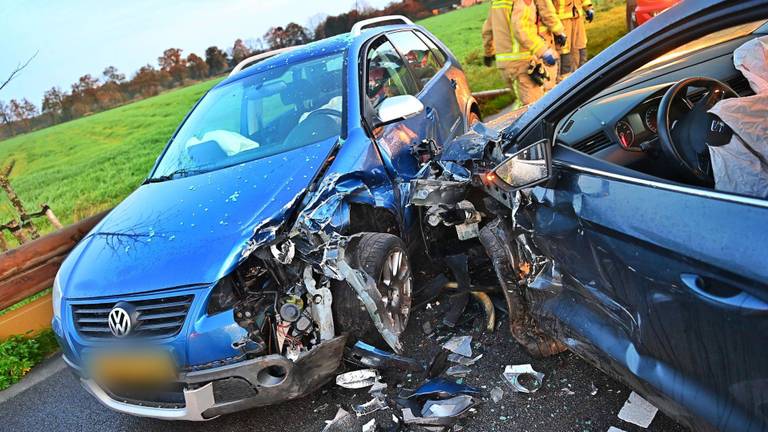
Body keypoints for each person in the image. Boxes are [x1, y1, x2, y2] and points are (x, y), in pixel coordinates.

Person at [489, 0, 565, 105]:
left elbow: (487, 29)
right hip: (521, 63)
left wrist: (489, 52)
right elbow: (521, 29)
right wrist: (544, 51)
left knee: (521, 103)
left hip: (505, 64)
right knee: (533, 106)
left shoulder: (496, 2)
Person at [554, 0, 595, 79]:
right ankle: (564, 82)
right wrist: (555, 27)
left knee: (580, 48)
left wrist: (588, 8)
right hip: (561, 21)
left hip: (577, 17)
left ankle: (582, 78)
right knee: (563, 51)